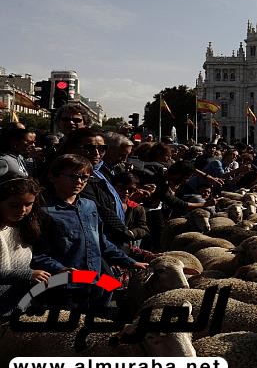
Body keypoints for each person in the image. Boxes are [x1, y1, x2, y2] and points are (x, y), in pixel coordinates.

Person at [31, 154, 147, 311]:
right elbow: (37, 252)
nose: (79, 182)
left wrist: (130, 262)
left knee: (106, 302)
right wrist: (59, 269)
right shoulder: (43, 211)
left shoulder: (89, 205)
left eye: (84, 178)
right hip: (63, 287)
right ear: (53, 177)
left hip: (93, 280)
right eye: (73, 176)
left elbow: (100, 241)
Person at [57, 128, 131, 248]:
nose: (97, 153)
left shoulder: (101, 170)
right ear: (72, 148)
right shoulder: (72, 178)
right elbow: (100, 211)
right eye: (89, 148)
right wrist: (128, 233)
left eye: (102, 148)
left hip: (109, 243)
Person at [0, 174, 49, 318]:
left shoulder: (24, 228)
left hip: (18, 306)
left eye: (28, 204)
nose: (22, 210)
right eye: (14, 205)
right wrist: (28, 274)